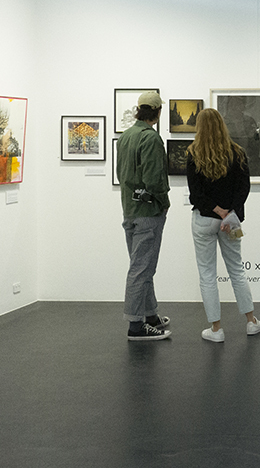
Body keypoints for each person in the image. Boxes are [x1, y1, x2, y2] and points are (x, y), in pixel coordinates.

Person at [186, 107, 260, 341]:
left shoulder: (194, 153)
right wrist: (229, 212)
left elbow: (195, 195)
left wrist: (216, 210)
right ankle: (251, 322)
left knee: (207, 275)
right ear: (222, 125)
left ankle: (216, 329)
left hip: (204, 221)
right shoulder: (237, 152)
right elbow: (244, 188)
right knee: (237, 270)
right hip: (231, 221)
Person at [116, 91, 172, 341]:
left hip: (129, 209)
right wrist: (164, 201)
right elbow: (153, 179)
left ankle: (149, 315)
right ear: (158, 112)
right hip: (149, 212)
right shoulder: (151, 139)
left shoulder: (125, 136)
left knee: (143, 265)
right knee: (141, 268)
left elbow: (121, 174)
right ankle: (135, 324)